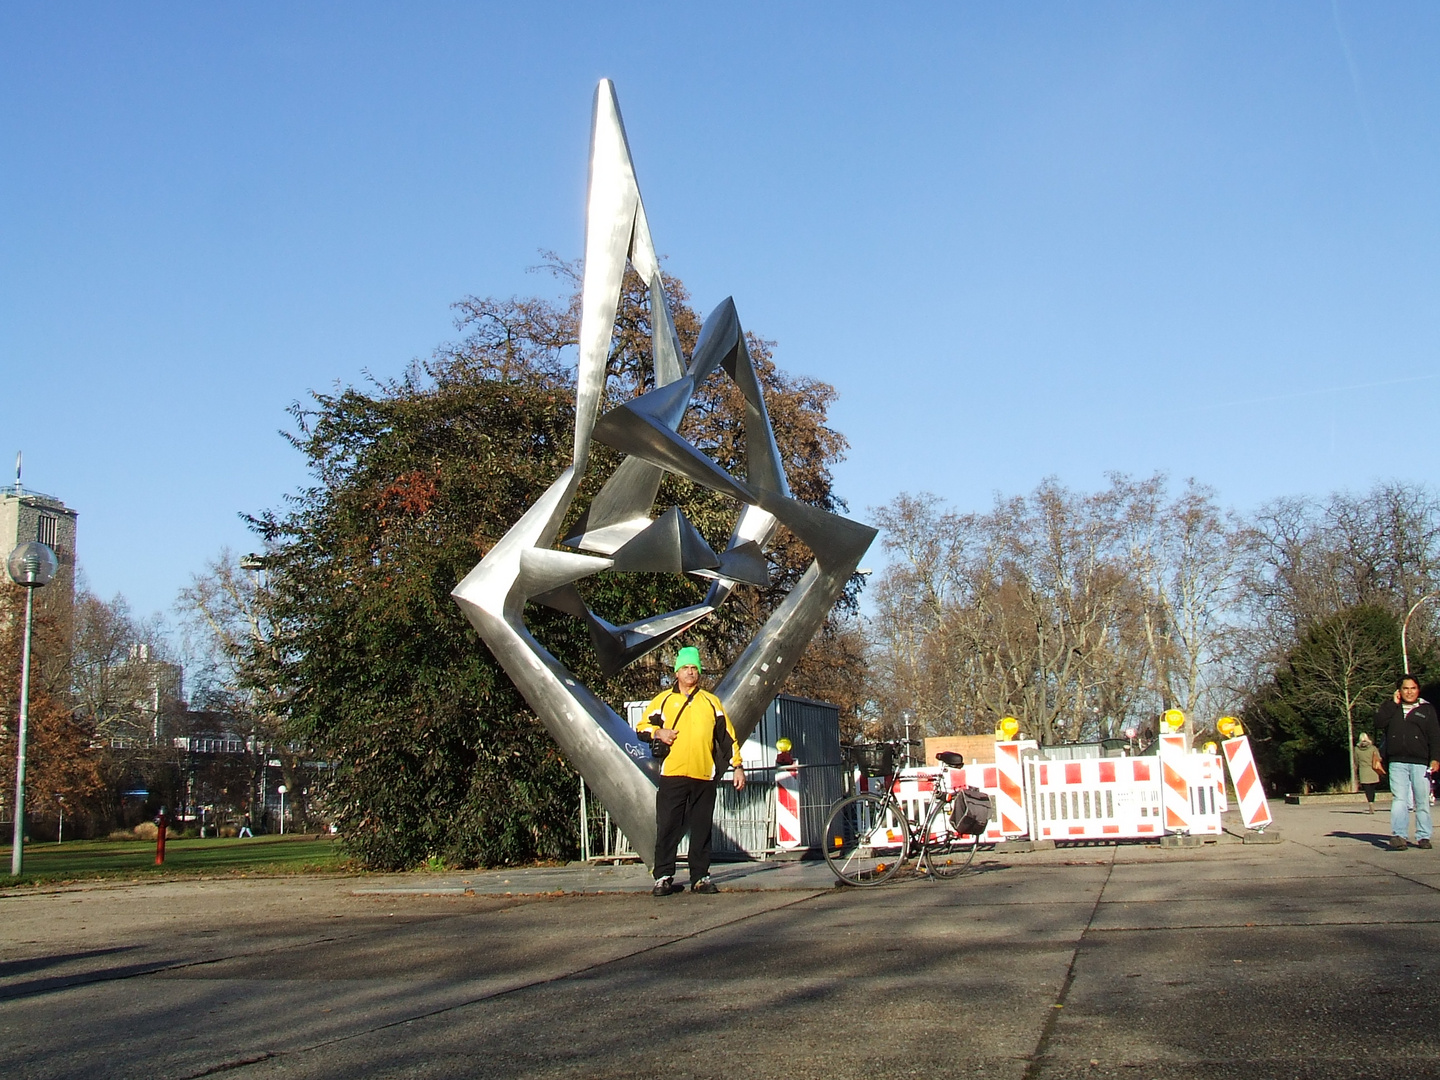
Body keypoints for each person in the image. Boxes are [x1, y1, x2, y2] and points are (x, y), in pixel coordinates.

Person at [637, 646, 744, 896]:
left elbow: (728, 737)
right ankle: (663, 877)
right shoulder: (663, 700)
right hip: (672, 774)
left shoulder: (711, 701)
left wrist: (737, 766)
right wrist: (658, 732)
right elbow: (641, 727)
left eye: (694, 668)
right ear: (676, 672)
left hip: (703, 774)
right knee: (668, 826)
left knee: (701, 827)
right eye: (685, 668)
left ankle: (701, 877)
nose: (690, 672)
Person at [1372, 675, 1440, 850]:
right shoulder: (1392, 708)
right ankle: (1399, 835)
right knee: (1400, 799)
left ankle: (1423, 836)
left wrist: (1435, 758)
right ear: (1399, 691)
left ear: (1418, 689)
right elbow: (1378, 722)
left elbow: (1434, 736)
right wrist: (1392, 704)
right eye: (1405, 688)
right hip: (1397, 761)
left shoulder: (1426, 709)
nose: (1409, 692)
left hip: (1420, 762)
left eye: (1413, 688)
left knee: (1422, 800)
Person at [1353, 733, 1381, 813]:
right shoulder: (1373, 748)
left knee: (1367, 789)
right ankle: (1372, 802)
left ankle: (1370, 803)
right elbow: (1378, 758)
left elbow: (1356, 761)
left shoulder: (1357, 749)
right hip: (1373, 770)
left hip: (1363, 771)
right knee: (1372, 789)